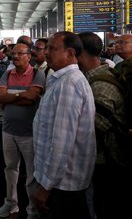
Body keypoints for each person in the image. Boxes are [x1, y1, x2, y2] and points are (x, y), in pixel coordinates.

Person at [31, 31, 96, 219]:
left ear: (69, 53)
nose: (47, 52)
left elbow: (62, 142)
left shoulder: (69, 84)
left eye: (52, 48)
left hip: (63, 184)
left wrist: (46, 186)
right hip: (59, 181)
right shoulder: (61, 80)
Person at [77, 32, 126, 219]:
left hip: (105, 160)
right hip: (98, 158)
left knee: (99, 206)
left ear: (80, 53)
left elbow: (98, 125)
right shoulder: (91, 78)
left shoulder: (101, 85)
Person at [0, 44, 45, 219]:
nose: (15, 56)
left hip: (29, 132)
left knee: (32, 173)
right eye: (13, 53)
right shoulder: (7, 74)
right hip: (8, 129)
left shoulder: (38, 74)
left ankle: (32, 209)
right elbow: (1, 97)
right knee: (10, 168)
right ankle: (11, 204)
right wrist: (20, 95)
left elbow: (32, 98)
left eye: (20, 53)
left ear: (28, 56)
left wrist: (11, 97)